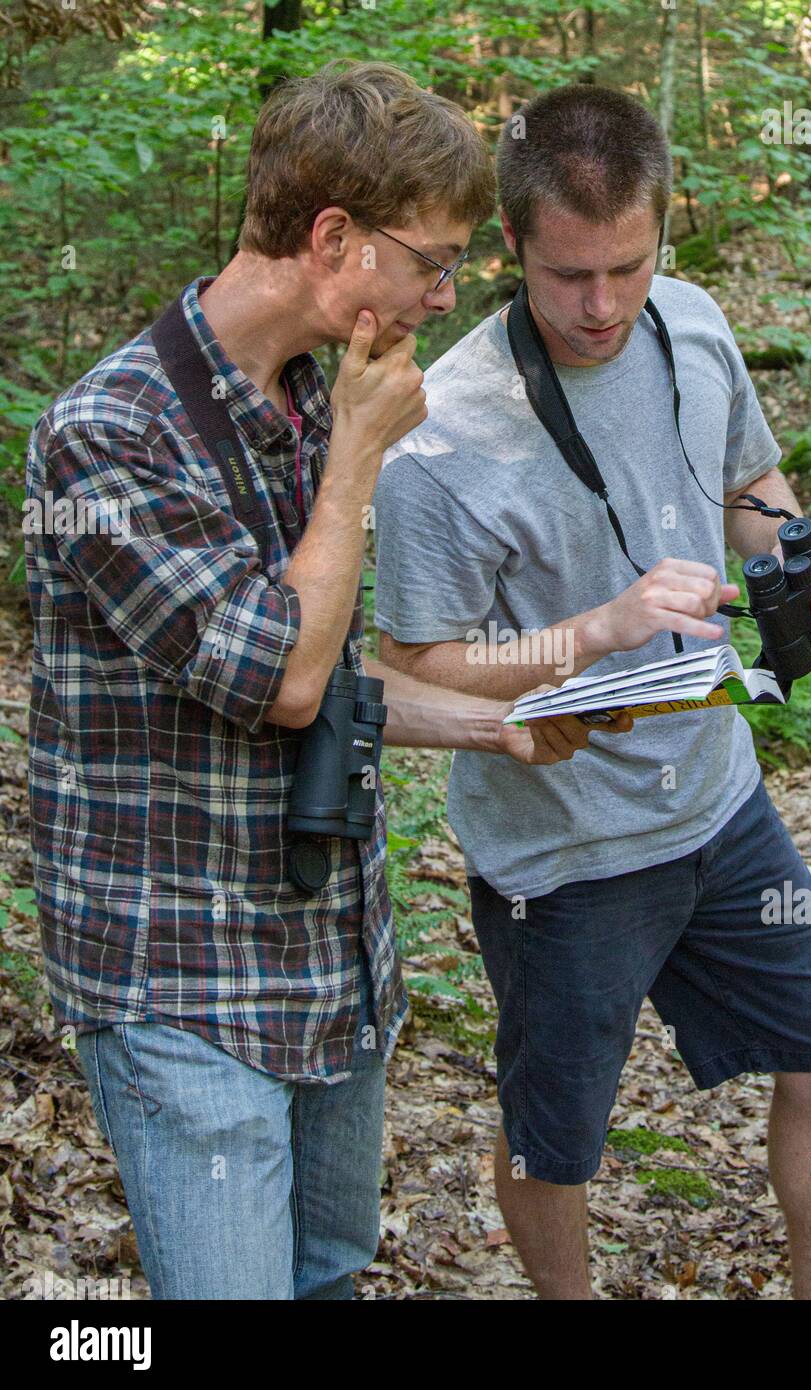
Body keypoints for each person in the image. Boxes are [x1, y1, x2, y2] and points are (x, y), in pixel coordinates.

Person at [23, 60, 626, 1301]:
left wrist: (501, 722)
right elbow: (283, 681)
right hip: (180, 981)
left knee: (330, 1277)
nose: (444, 294)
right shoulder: (110, 435)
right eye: (433, 258)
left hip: (325, 958)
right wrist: (356, 465)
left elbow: (338, 676)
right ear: (334, 238)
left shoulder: (308, 398)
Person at [374, 82, 811, 1301]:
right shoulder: (440, 438)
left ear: (667, 232)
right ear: (510, 249)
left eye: (627, 268)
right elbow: (412, 670)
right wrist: (597, 629)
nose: (600, 307)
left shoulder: (692, 325)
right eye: (566, 278)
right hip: (563, 853)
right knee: (557, 1146)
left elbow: (746, 484)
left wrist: (802, 550)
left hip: (718, 807)